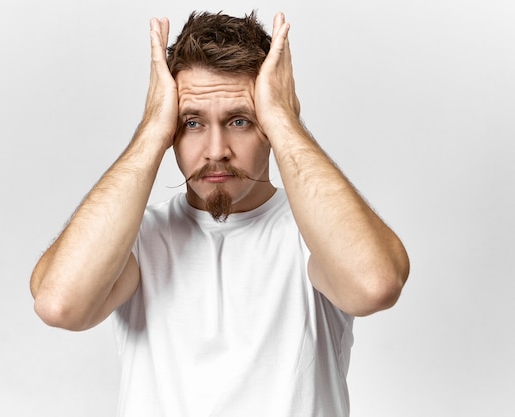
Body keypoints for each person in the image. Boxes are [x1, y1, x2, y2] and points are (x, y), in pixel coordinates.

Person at [30, 10, 410, 417]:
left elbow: (375, 285)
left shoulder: (313, 235)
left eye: (240, 120)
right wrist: (150, 130)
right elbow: (59, 304)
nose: (215, 150)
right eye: (192, 122)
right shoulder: (136, 238)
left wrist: (285, 119)